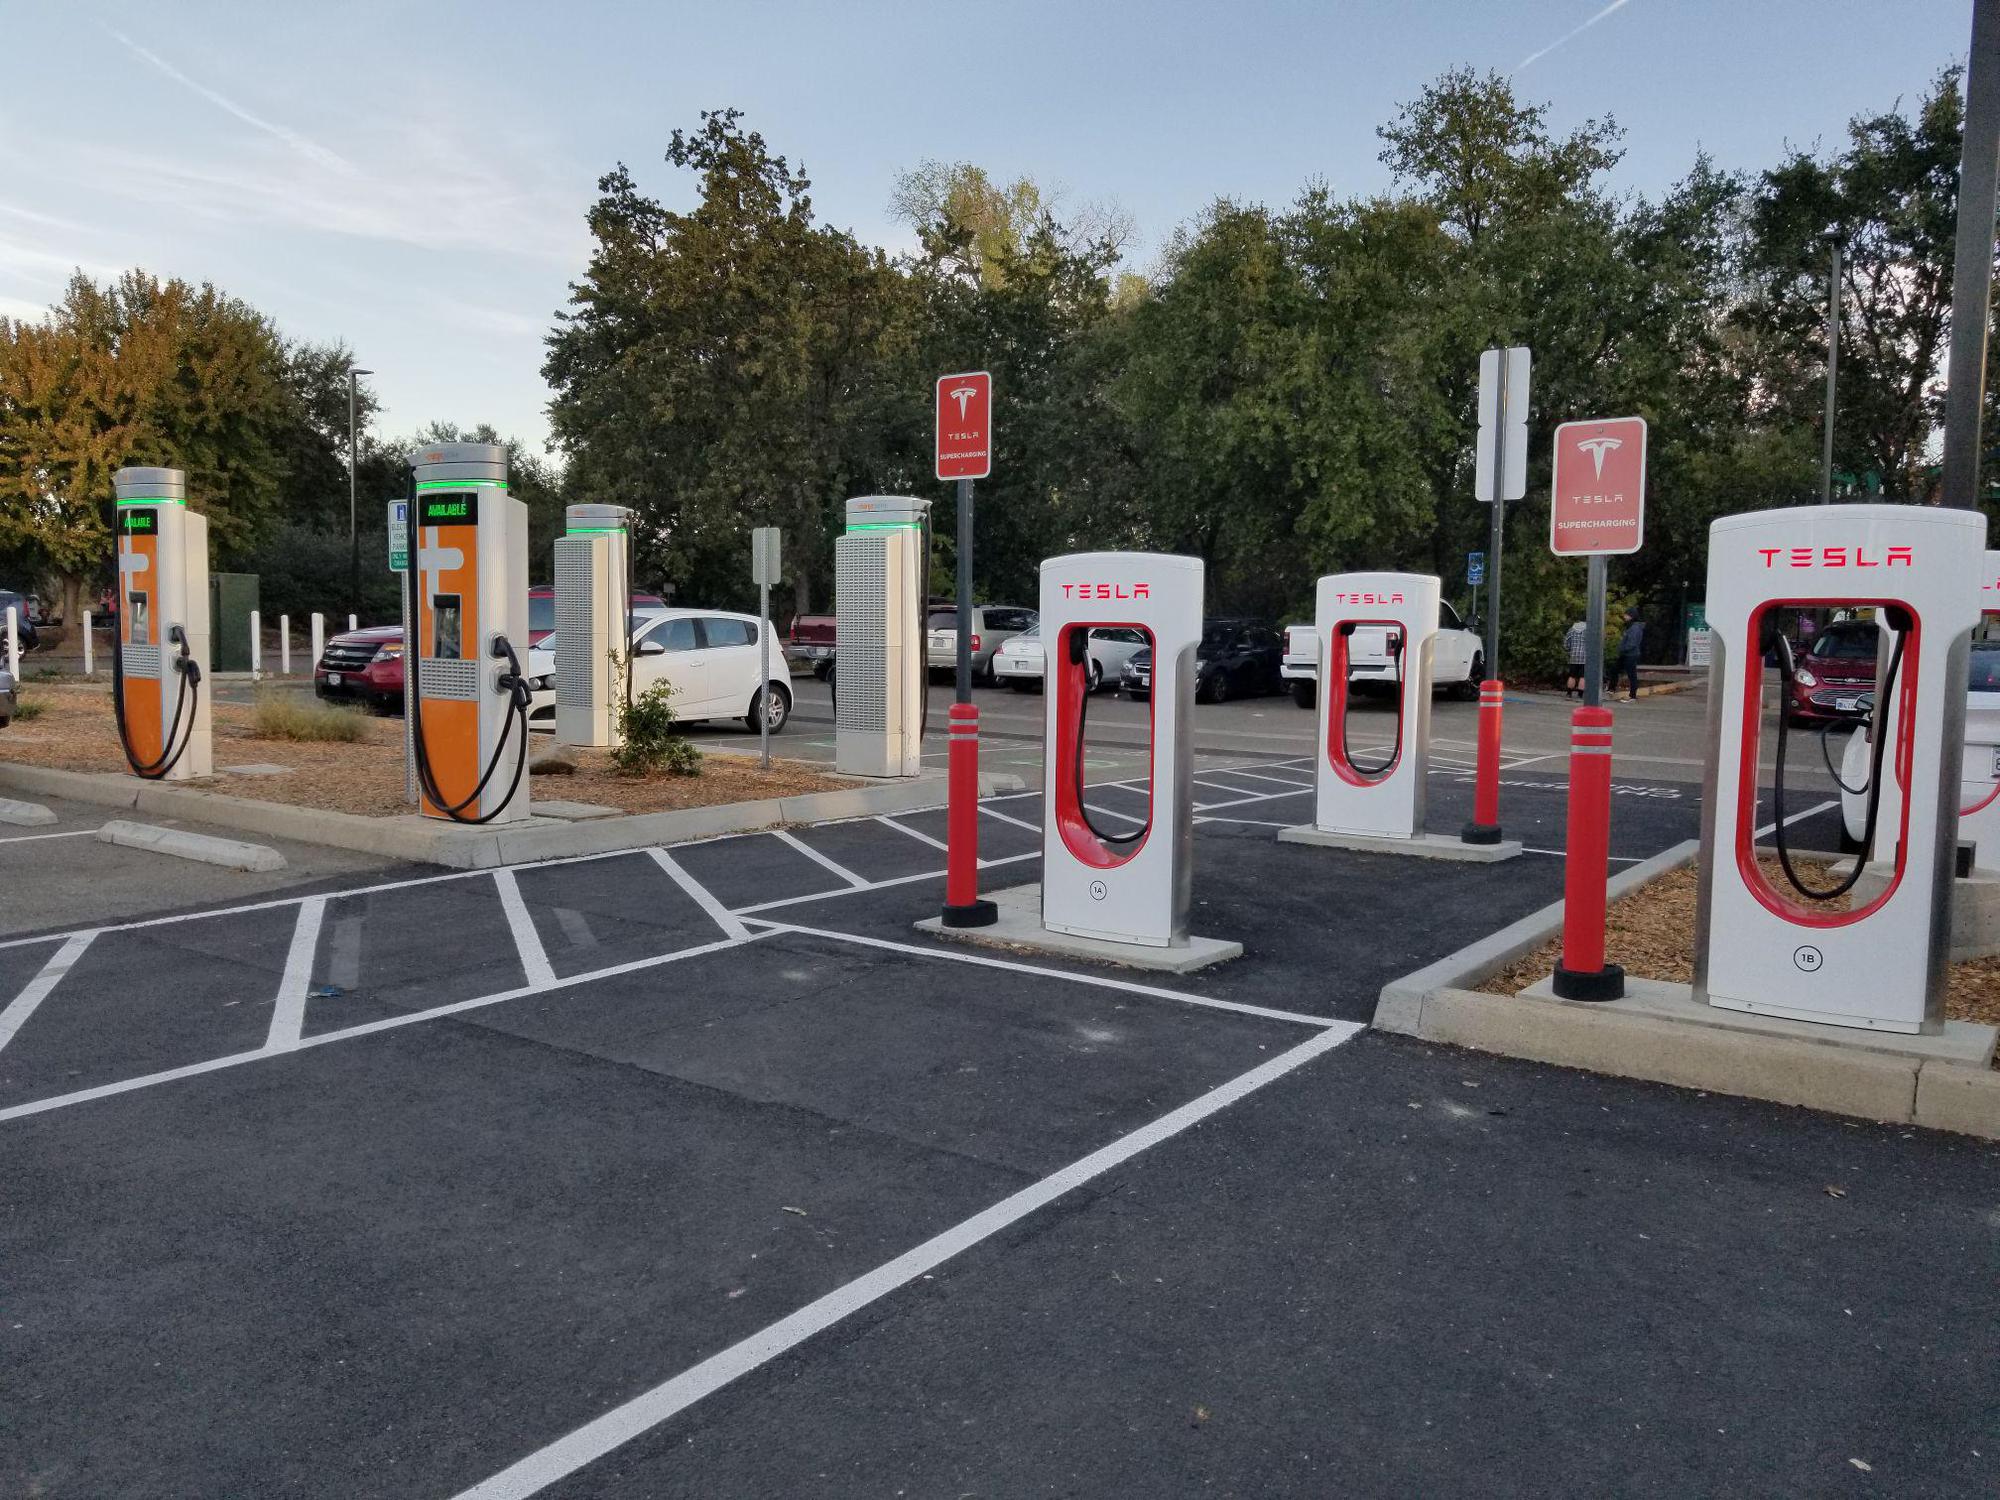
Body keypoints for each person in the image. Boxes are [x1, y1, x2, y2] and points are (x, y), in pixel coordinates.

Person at [1617, 610, 1645, 701]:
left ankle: (1632, 695)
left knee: (1631, 675)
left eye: (1626, 615)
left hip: (1630, 654)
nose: (1624, 617)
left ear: (1631, 616)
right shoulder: (1633, 627)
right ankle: (1612, 689)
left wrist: (1623, 648)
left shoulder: (1634, 628)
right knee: (1618, 670)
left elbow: (1632, 643)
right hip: (1628, 653)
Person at [1562, 619, 1587, 698]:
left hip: (1573, 656)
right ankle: (1580, 695)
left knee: (1572, 676)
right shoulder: (1589, 630)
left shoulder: (1571, 630)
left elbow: (1566, 643)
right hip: (1585, 657)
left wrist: (1570, 649)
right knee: (1583, 677)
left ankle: (1569, 693)